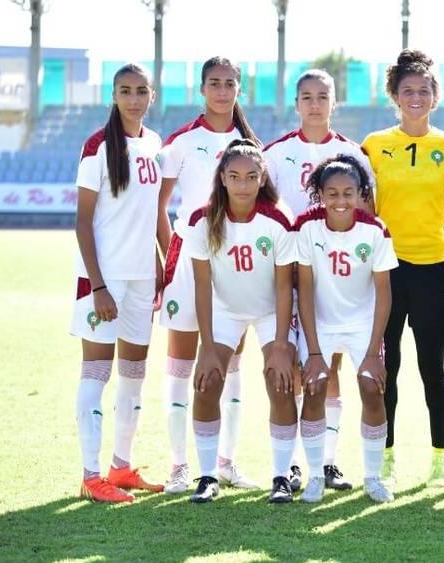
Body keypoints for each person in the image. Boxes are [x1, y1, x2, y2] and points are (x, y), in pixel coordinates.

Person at [263, 68, 375, 491]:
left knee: (331, 366)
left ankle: (327, 462)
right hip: (287, 275)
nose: (314, 104)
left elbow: (367, 215)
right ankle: (293, 465)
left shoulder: (354, 155)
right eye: (306, 96)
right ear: (297, 103)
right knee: (294, 368)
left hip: (337, 277)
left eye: (322, 96)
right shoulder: (274, 154)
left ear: (334, 103)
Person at [361, 49, 444, 485]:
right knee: (389, 366)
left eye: (424, 90)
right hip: (385, 270)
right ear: (395, 96)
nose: (416, 97)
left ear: (434, 97)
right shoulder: (374, 144)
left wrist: (429, 221)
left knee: (432, 368)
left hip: (432, 268)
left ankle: (439, 460)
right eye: (408, 91)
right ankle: (385, 457)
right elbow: (365, 199)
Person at [158, 56, 260, 494]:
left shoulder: (250, 143)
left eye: (229, 84)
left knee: (230, 366)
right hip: (187, 262)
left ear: (239, 89)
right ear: (202, 89)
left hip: (232, 267)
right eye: (214, 83)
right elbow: (158, 207)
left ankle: (225, 462)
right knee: (181, 366)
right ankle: (179, 465)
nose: (222, 91)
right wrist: (174, 254)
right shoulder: (181, 141)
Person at [184, 140, 298, 503]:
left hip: (270, 312)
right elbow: (202, 285)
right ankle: (206, 475)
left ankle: (281, 476)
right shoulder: (203, 220)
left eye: (251, 177)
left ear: (262, 177)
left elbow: (284, 286)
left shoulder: (279, 218)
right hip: (225, 312)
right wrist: (206, 346)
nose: (243, 185)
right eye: (234, 176)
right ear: (222, 178)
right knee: (206, 382)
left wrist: (281, 345)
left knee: (279, 381)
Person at [72, 63, 164, 502]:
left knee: (134, 373)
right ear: (114, 95)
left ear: (152, 95)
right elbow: (83, 223)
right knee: (96, 372)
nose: (133, 99)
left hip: (142, 276)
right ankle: (92, 476)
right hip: (104, 281)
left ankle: (121, 466)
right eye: (125, 91)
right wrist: (98, 285)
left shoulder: (155, 143)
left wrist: (162, 260)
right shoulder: (96, 146)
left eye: (140, 91)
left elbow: (151, 213)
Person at [294, 155, 399, 503]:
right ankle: (315, 476)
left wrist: (372, 353)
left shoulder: (375, 230)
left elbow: (384, 293)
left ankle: (372, 478)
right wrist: (312, 351)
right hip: (320, 322)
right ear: (320, 194)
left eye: (348, 193)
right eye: (332, 193)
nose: (341, 201)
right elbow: (304, 289)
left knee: (371, 388)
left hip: (362, 324)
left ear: (361, 193)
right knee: (314, 388)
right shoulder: (307, 229)